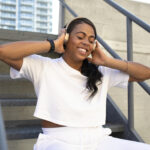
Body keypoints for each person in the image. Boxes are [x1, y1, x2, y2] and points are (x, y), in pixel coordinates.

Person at [0, 17, 150, 150]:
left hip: (99, 140)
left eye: (91, 40)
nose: (86, 42)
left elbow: (145, 73)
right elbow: (3, 52)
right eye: (80, 37)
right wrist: (52, 45)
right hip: (58, 141)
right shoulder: (44, 66)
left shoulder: (101, 72)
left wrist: (107, 61)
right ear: (66, 38)